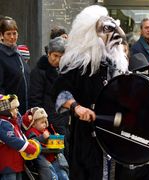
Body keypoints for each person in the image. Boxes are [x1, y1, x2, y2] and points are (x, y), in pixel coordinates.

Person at [52, 5, 128, 180]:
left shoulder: (118, 65)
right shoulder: (79, 64)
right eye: (107, 30)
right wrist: (77, 108)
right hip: (87, 136)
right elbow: (59, 90)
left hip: (115, 135)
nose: (115, 37)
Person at [29, 36, 70, 161]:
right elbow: (35, 99)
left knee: (65, 156)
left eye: (61, 57)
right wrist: (42, 124)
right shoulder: (39, 71)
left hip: (64, 120)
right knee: (57, 158)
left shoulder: (64, 70)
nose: (58, 60)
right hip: (49, 122)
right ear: (48, 54)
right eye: (55, 56)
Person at [22, 107, 69, 180]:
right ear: (33, 124)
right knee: (54, 178)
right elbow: (32, 142)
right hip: (44, 162)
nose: (45, 124)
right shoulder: (31, 132)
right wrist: (43, 138)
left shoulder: (45, 130)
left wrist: (55, 139)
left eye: (45, 121)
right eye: (42, 122)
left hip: (53, 158)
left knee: (63, 176)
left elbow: (50, 142)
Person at [0, 94, 37, 180]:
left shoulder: (11, 122)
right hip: (8, 164)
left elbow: (20, 131)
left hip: (15, 163)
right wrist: (29, 148)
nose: (17, 110)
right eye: (15, 109)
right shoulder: (3, 124)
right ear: (7, 111)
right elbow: (12, 140)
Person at [0, 18, 30, 115]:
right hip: (10, 114)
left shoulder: (18, 54)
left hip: (24, 111)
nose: (12, 37)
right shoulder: (1, 55)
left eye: (14, 33)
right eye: (8, 34)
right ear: (1, 35)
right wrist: (8, 111)